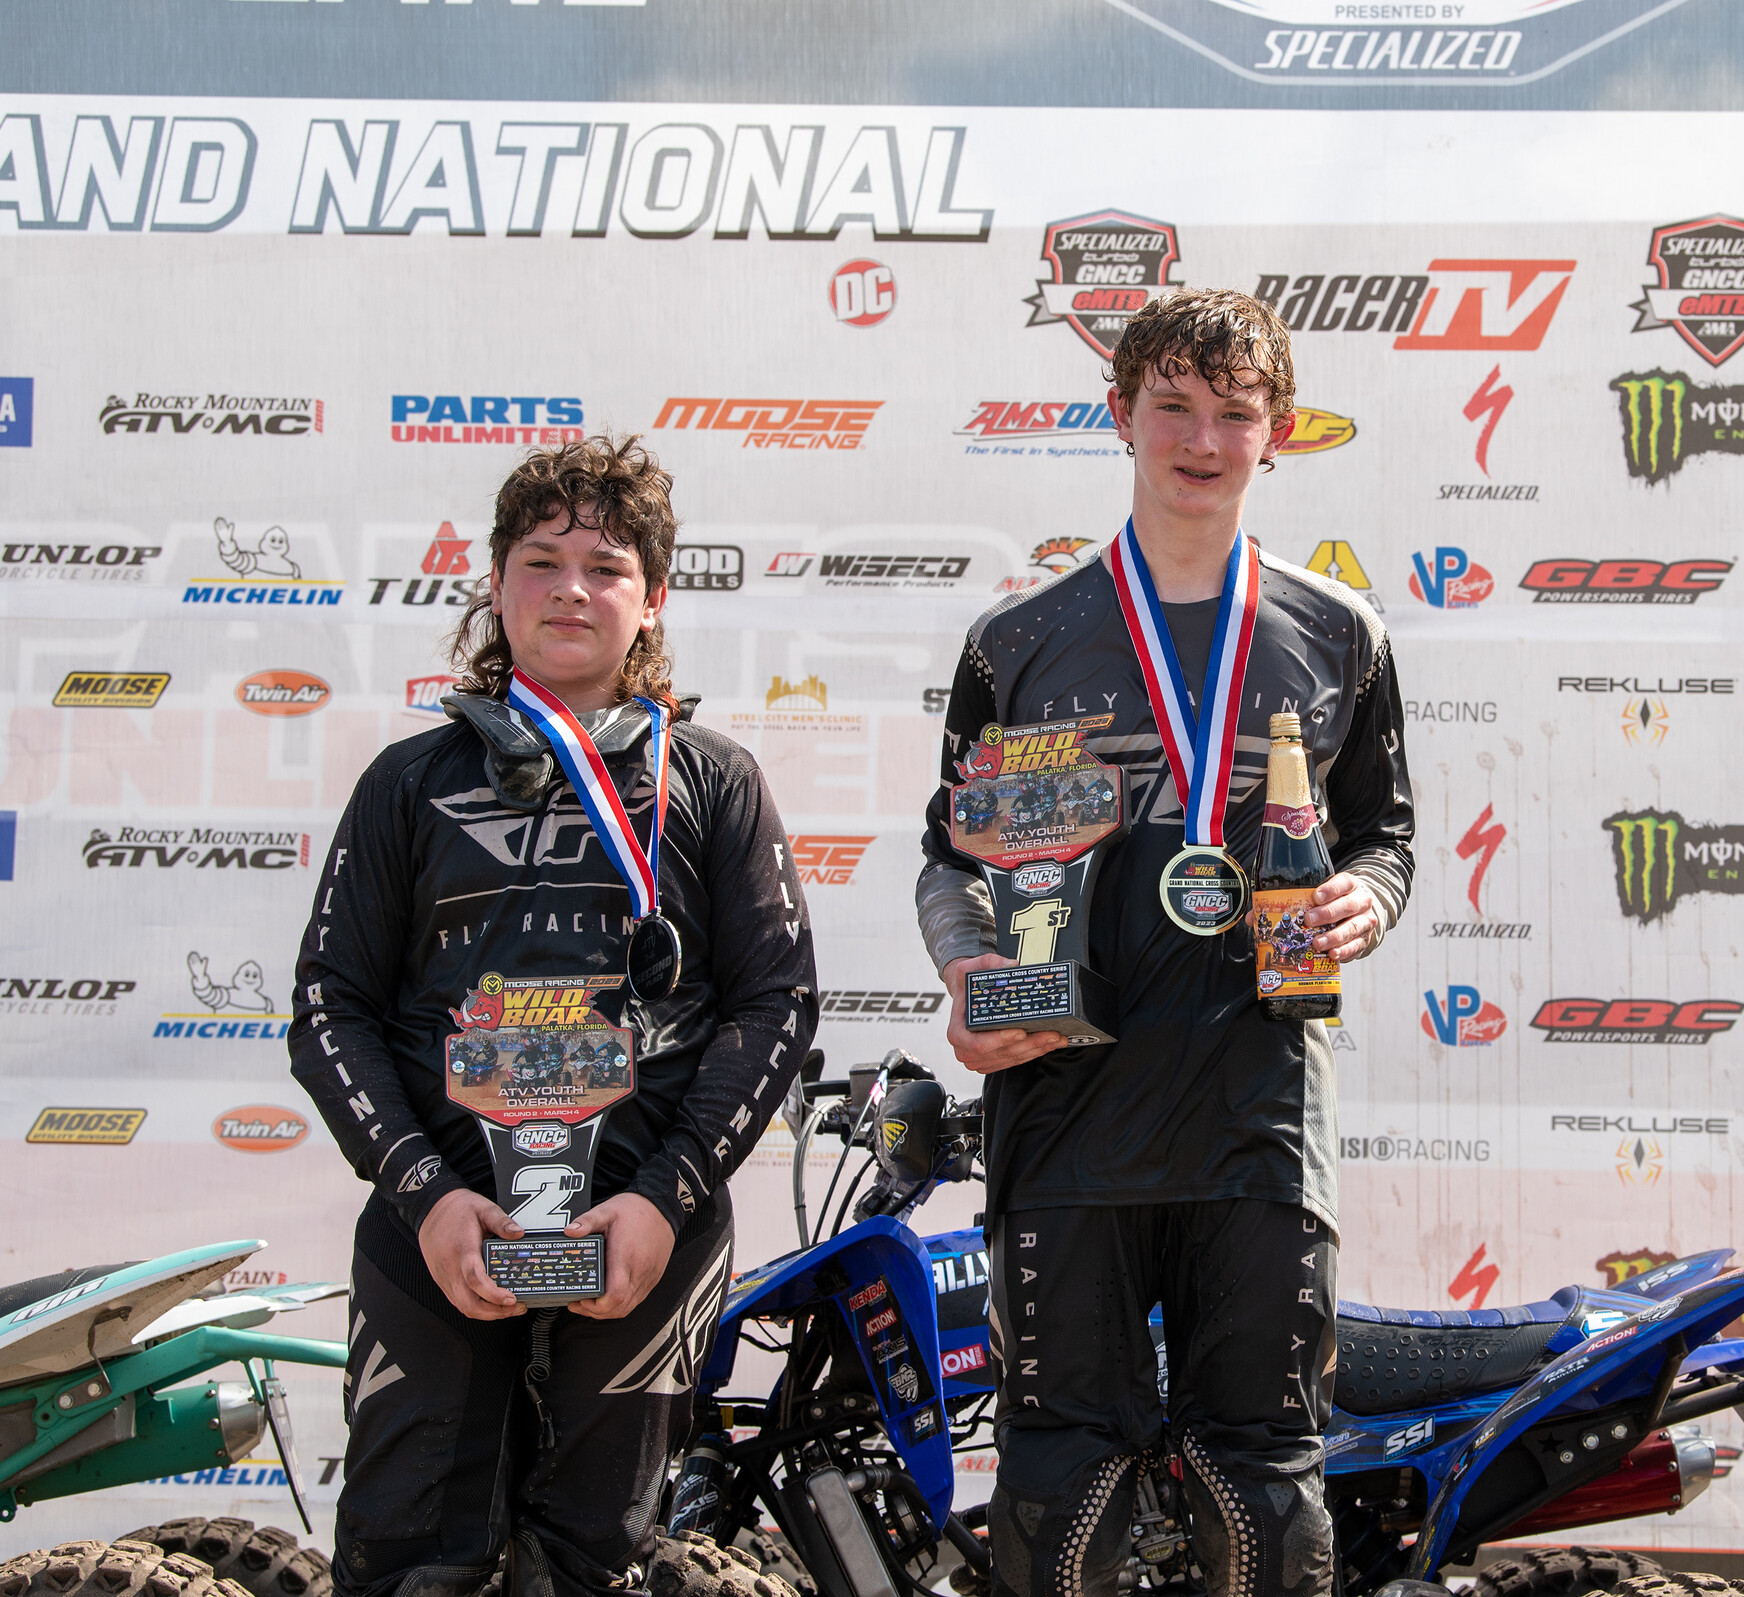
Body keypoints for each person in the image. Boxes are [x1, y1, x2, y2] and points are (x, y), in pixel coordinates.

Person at [915, 288, 1414, 1597]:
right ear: (1122, 414)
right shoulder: (1016, 642)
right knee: (1058, 1492)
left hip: (1260, 1108)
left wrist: (1368, 897)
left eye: (1233, 413)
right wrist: (972, 974)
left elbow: (1389, 838)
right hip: (1065, 1106)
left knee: (1264, 1493)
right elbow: (948, 861)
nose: (1202, 438)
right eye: (1174, 407)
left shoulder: (1341, 633)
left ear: (1280, 431)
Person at [290, 436, 818, 1597]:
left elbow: (777, 1003)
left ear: (654, 599)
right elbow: (330, 1005)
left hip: (642, 1233)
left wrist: (664, 1195)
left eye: (606, 565)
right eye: (540, 559)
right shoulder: (408, 782)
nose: (571, 587)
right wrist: (424, 1194)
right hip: (440, 1230)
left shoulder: (714, 780)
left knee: (592, 1567)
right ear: (494, 583)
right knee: (407, 1560)